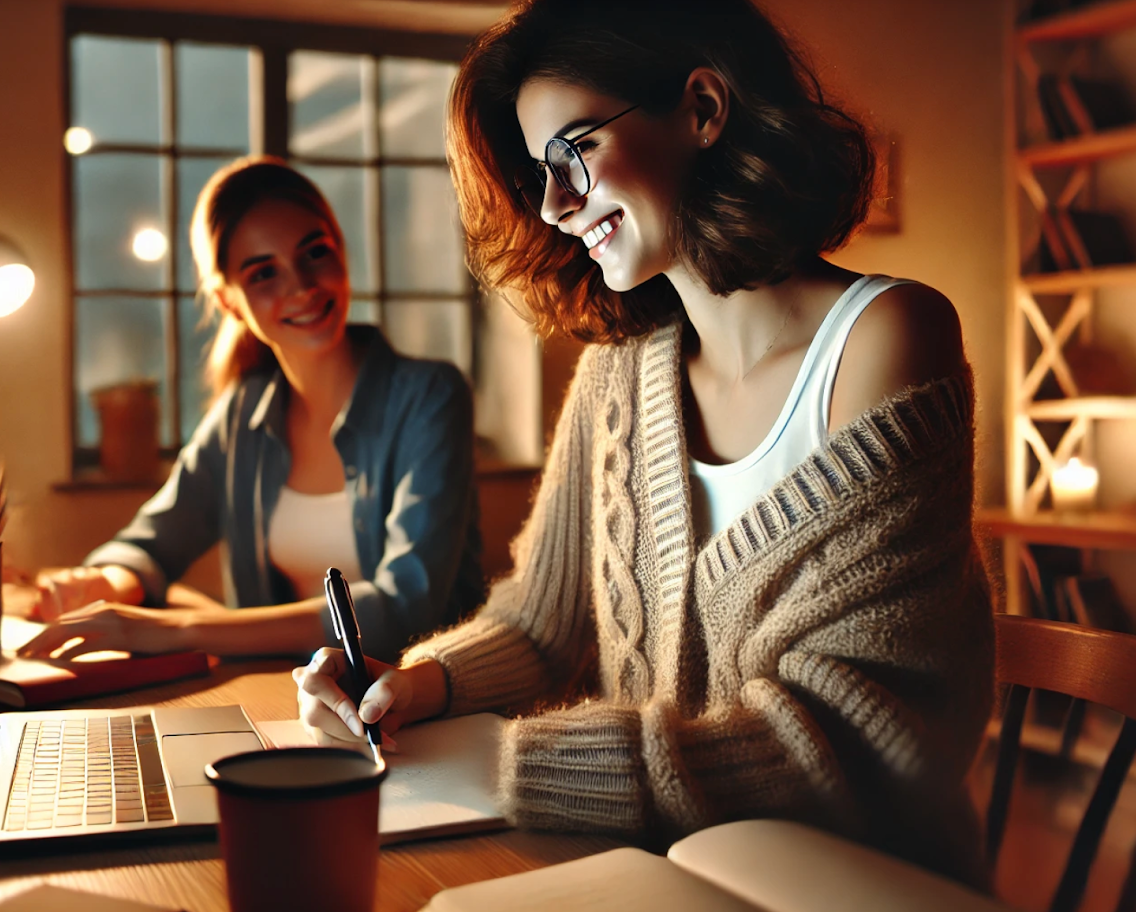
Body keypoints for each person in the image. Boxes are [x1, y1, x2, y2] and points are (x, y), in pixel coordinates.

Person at [294, 0, 995, 885]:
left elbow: (847, 732)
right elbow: (539, 626)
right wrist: (418, 684)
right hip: (654, 869)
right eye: (538, 171)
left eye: (572, 151)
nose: (552, 205)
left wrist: (516, 765)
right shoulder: (616, 376)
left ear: (702, 109)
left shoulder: (888, 337)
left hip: (859, 884)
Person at [21, 157, 483, 664]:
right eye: (263, 273)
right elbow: (152, 543)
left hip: (417, 707)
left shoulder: (431, 396)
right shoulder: (241, 416)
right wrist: (102, 584)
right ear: (229, 301)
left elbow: (403, 608)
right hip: (285, 704)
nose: (301, 286)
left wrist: (177, 630)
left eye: (315, 253)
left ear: (341, 251)